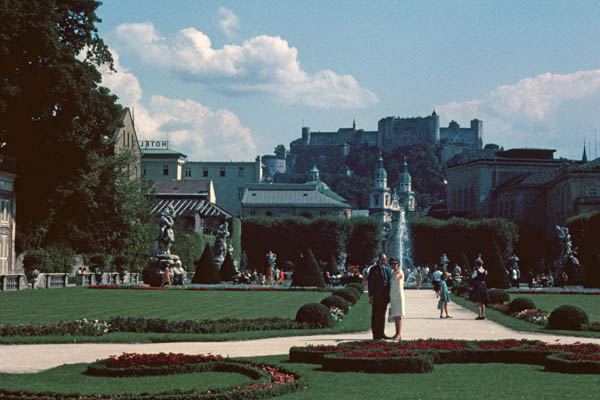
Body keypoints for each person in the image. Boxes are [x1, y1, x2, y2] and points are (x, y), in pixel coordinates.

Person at [368, 253, 392, 340]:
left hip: (385, 297)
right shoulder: (373, 269)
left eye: (385, 260)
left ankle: (382, 333)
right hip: (376, 296)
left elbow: (389, 283)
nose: (383, 261)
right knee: (375, 316)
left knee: (382, 316)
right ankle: (376, 335)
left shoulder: (388, 269)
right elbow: (370, 284)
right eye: (382, 260)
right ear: (379, 259)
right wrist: (370, 296)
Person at [388, 258, 405, 340]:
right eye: (392, 264)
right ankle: (396, 333)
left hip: (398, 297)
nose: (393, 265)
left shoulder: (400, 272)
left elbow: (399, 276)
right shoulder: (392, 273)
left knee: (398, 316)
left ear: (398, 264)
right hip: (393, 297)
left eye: (395, 263)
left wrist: (397, 276)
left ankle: (399, 334)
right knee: (395, 316)